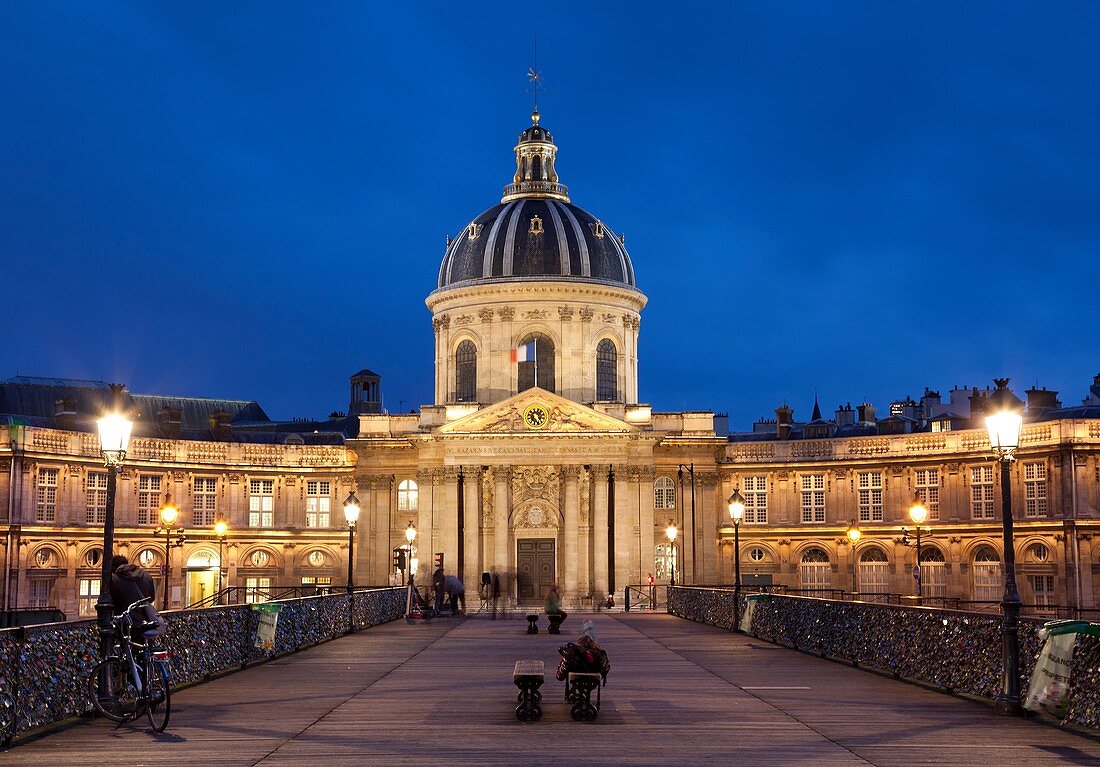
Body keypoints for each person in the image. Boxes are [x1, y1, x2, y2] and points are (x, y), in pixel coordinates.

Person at [108, 554, 158, 642]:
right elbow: (151, 598)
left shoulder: (115, 579)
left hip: (127, 623)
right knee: (145, 649)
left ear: (113, 568)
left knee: (126, 648)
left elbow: (110, 603)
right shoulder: (146, 576)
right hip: (147, 621)